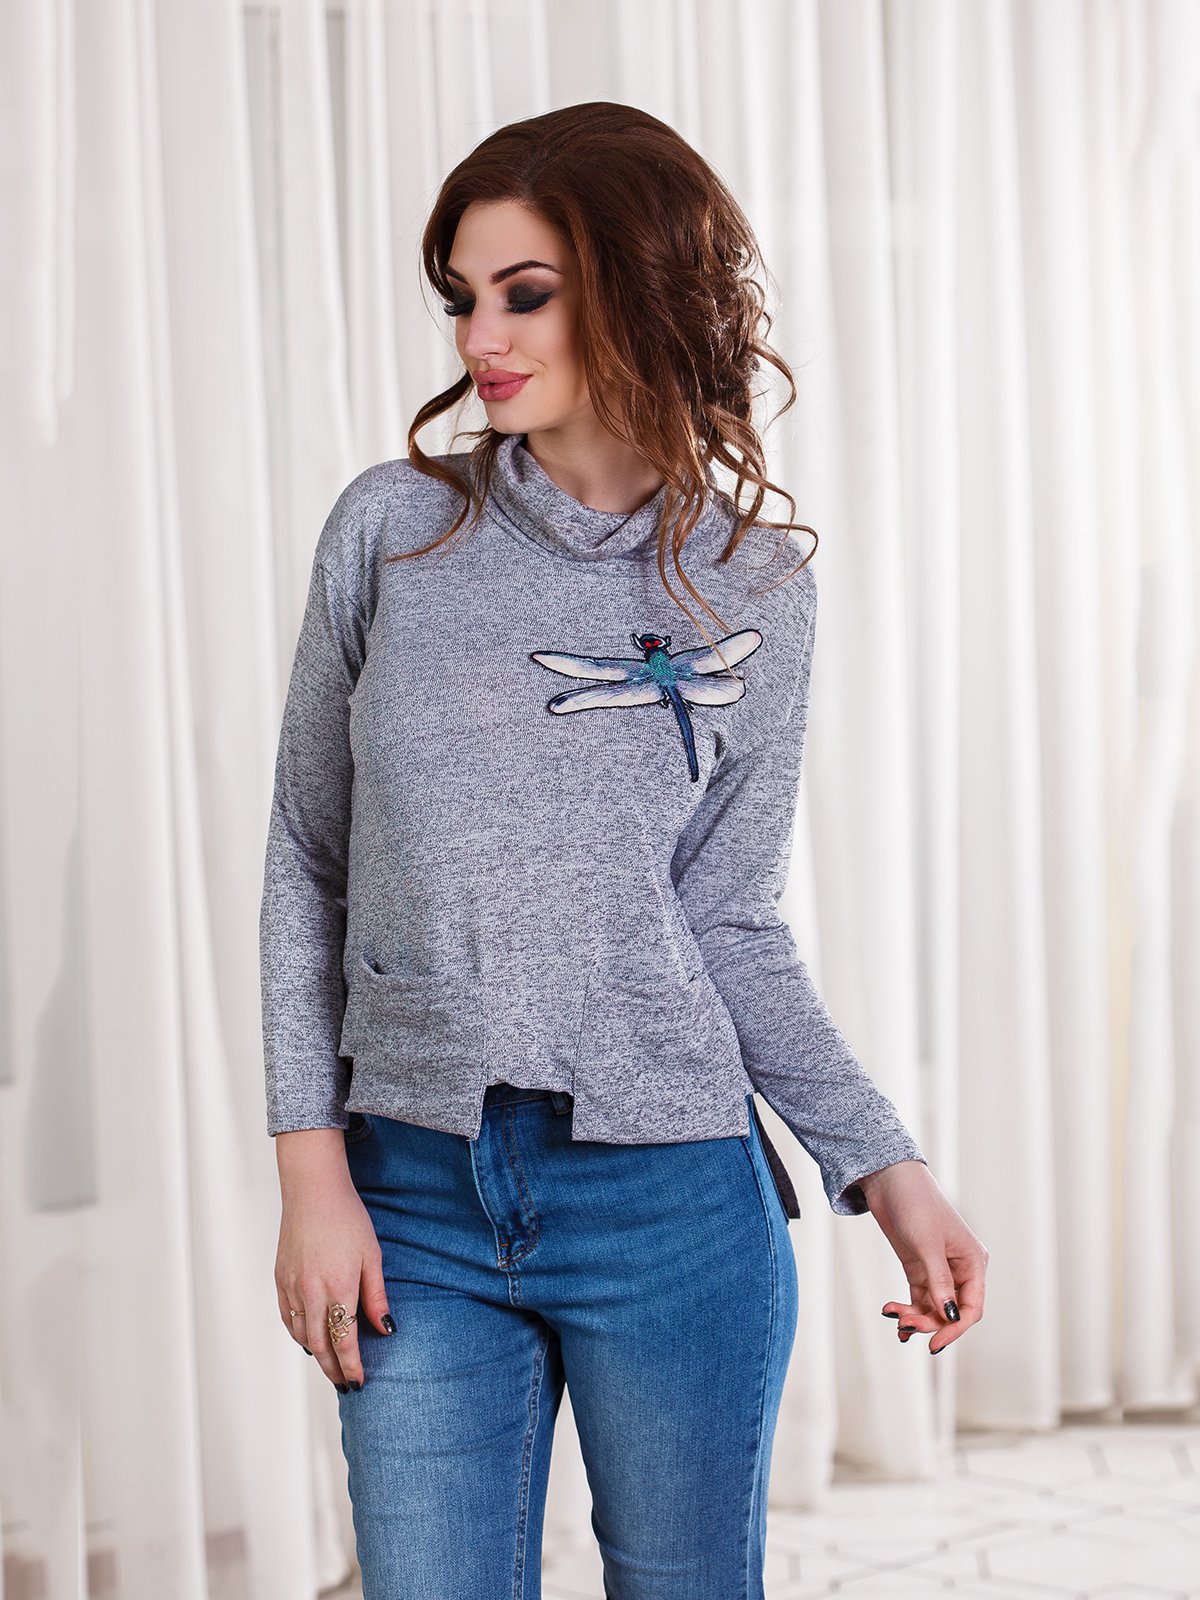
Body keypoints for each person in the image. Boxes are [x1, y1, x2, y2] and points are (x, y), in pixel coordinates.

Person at [260, 101, 988, 1600]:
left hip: (673, 1199)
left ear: (640, 288)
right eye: (463, 297)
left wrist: (884, 1163)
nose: (480, 338)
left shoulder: (754, 583)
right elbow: (305, 860)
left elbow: (729, 916)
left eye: (525, 293)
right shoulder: (393, 530)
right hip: (412, 1195)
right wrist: (310, 1175)